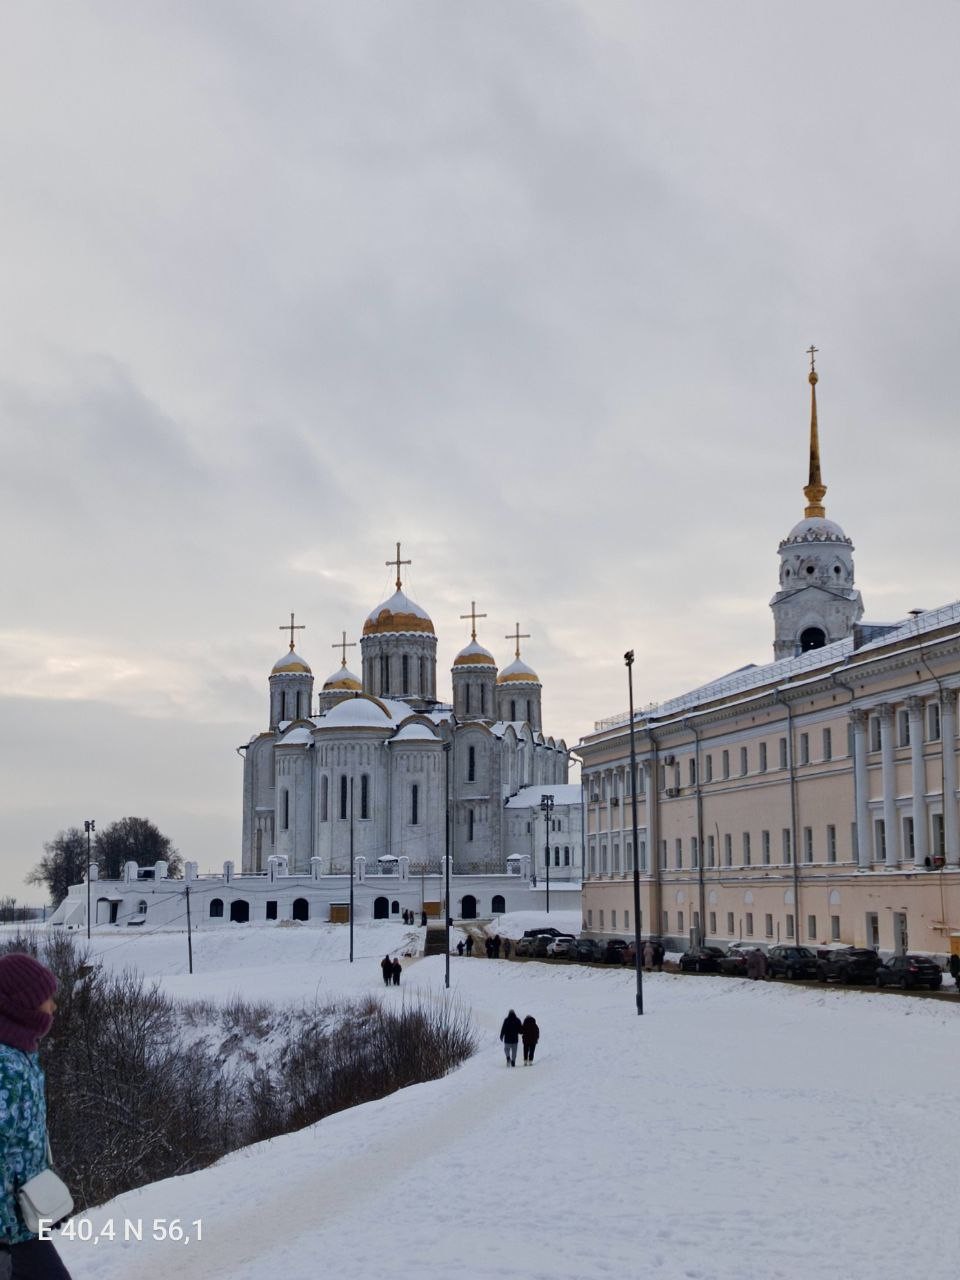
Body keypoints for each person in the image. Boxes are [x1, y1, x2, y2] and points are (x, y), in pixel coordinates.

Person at [0, 951, 73, 1280]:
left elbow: (24, 1142)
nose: (53, 1007)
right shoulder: (5, 1064)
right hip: (9, 1231)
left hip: (23, 1221)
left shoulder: (20, 1052)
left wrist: (43, 1198)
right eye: (46, 999)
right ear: (22, 1005)